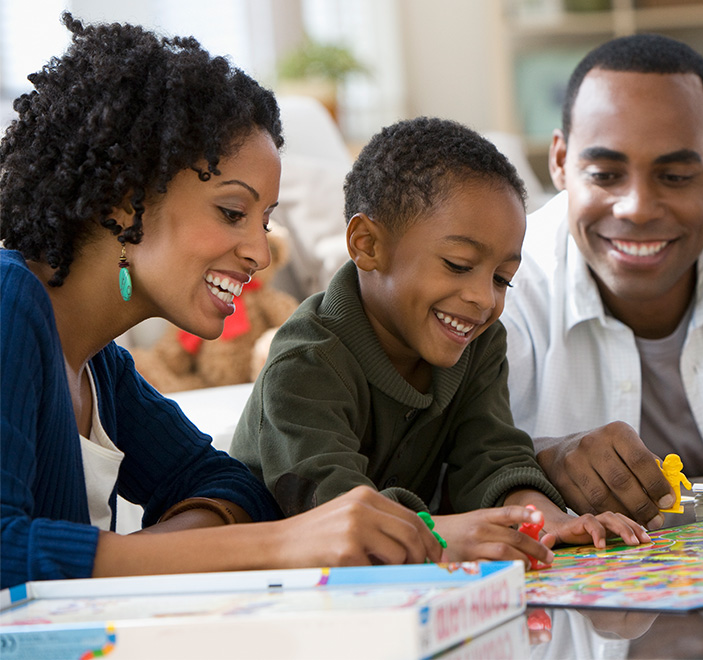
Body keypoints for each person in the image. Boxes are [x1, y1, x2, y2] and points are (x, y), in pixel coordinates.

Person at [0, 14, 442, 591]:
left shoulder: (98, 364)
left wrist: (159, 555)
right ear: (124, 200)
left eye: (265, 221)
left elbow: (231, 485)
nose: (259, 251)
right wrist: (280, 544)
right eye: (232, 212)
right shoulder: (11, 305)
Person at [230, 117, 650, 567]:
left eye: (502, 278)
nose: (483, 299)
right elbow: (333, 508)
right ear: (367, 244)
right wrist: (443, 534)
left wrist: (542, 518)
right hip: (282, 596)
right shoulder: (306, 362)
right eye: (457, 264)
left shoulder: (478, 344)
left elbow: (491, 455)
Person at [501, 34, 703, 528]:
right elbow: (448, 463)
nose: (636, 208)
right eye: (604, 173)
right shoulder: (506, 282)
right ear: (559, 161)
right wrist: (542, 460)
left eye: (675, 176)